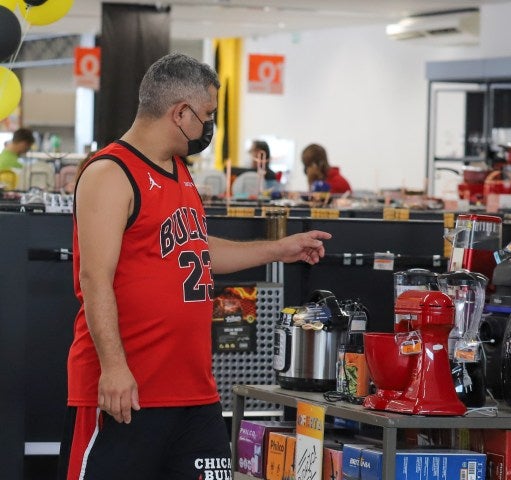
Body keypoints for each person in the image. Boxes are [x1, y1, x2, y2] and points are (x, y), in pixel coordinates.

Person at [58, 52, 331, 480]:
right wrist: (113, 368)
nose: (210, 125)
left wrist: (278, 250)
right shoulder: (110, 173)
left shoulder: (179, 170)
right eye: (208, 114)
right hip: (126, 392)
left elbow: (198, 250)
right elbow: (94, 278)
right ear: (180, 113)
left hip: (194, 394)